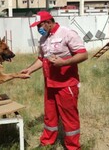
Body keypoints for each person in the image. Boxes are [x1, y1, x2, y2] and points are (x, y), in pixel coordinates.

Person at [21, 10, 88, 150]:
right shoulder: (43, 39)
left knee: (69, 118)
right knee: (50, 116)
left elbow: (83, 54)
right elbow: (42, 59)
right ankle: (47, 142)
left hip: (66, 84)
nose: (38, 29)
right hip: (50, 83)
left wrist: (64, 63)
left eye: (39, 25)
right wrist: (29, 70)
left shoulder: (67, 33)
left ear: (48, 22)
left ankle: (73, 146)